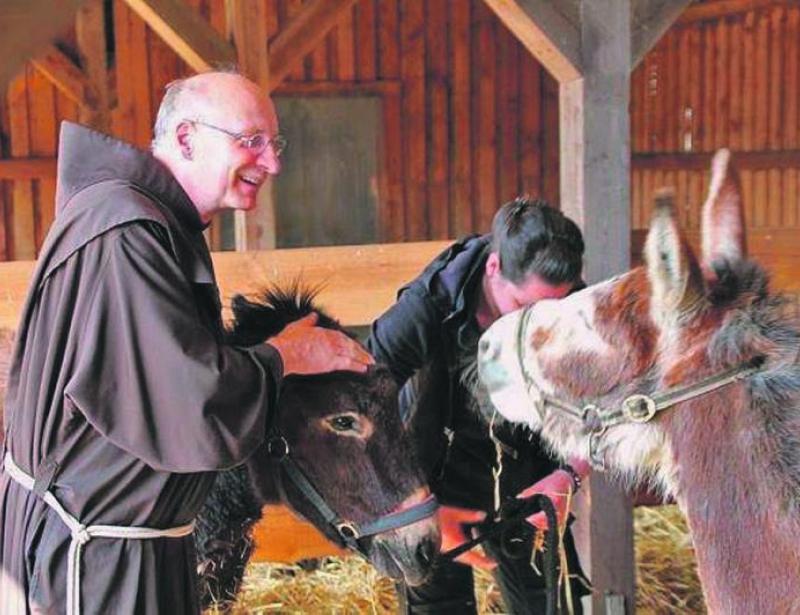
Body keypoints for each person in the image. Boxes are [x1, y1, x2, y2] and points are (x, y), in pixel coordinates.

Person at [0, 71, 372, 615]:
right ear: (186, 138)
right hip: (95, 568)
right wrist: (287, 356)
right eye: (250, 141)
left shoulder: (144, 224)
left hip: (124, 551)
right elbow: (191, 404)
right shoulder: (127, 237)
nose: (272, 163)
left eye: (275, 143)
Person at [368, 197, 592, 614]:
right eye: (524, 307)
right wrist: (414, 510)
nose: (539, 325)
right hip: (435, 484)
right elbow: (362, 408)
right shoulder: (426, 307)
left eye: (553, 312)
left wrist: (569, 476)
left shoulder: (572, 304)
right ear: (493, 268)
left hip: (532, 481)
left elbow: (599, 403)